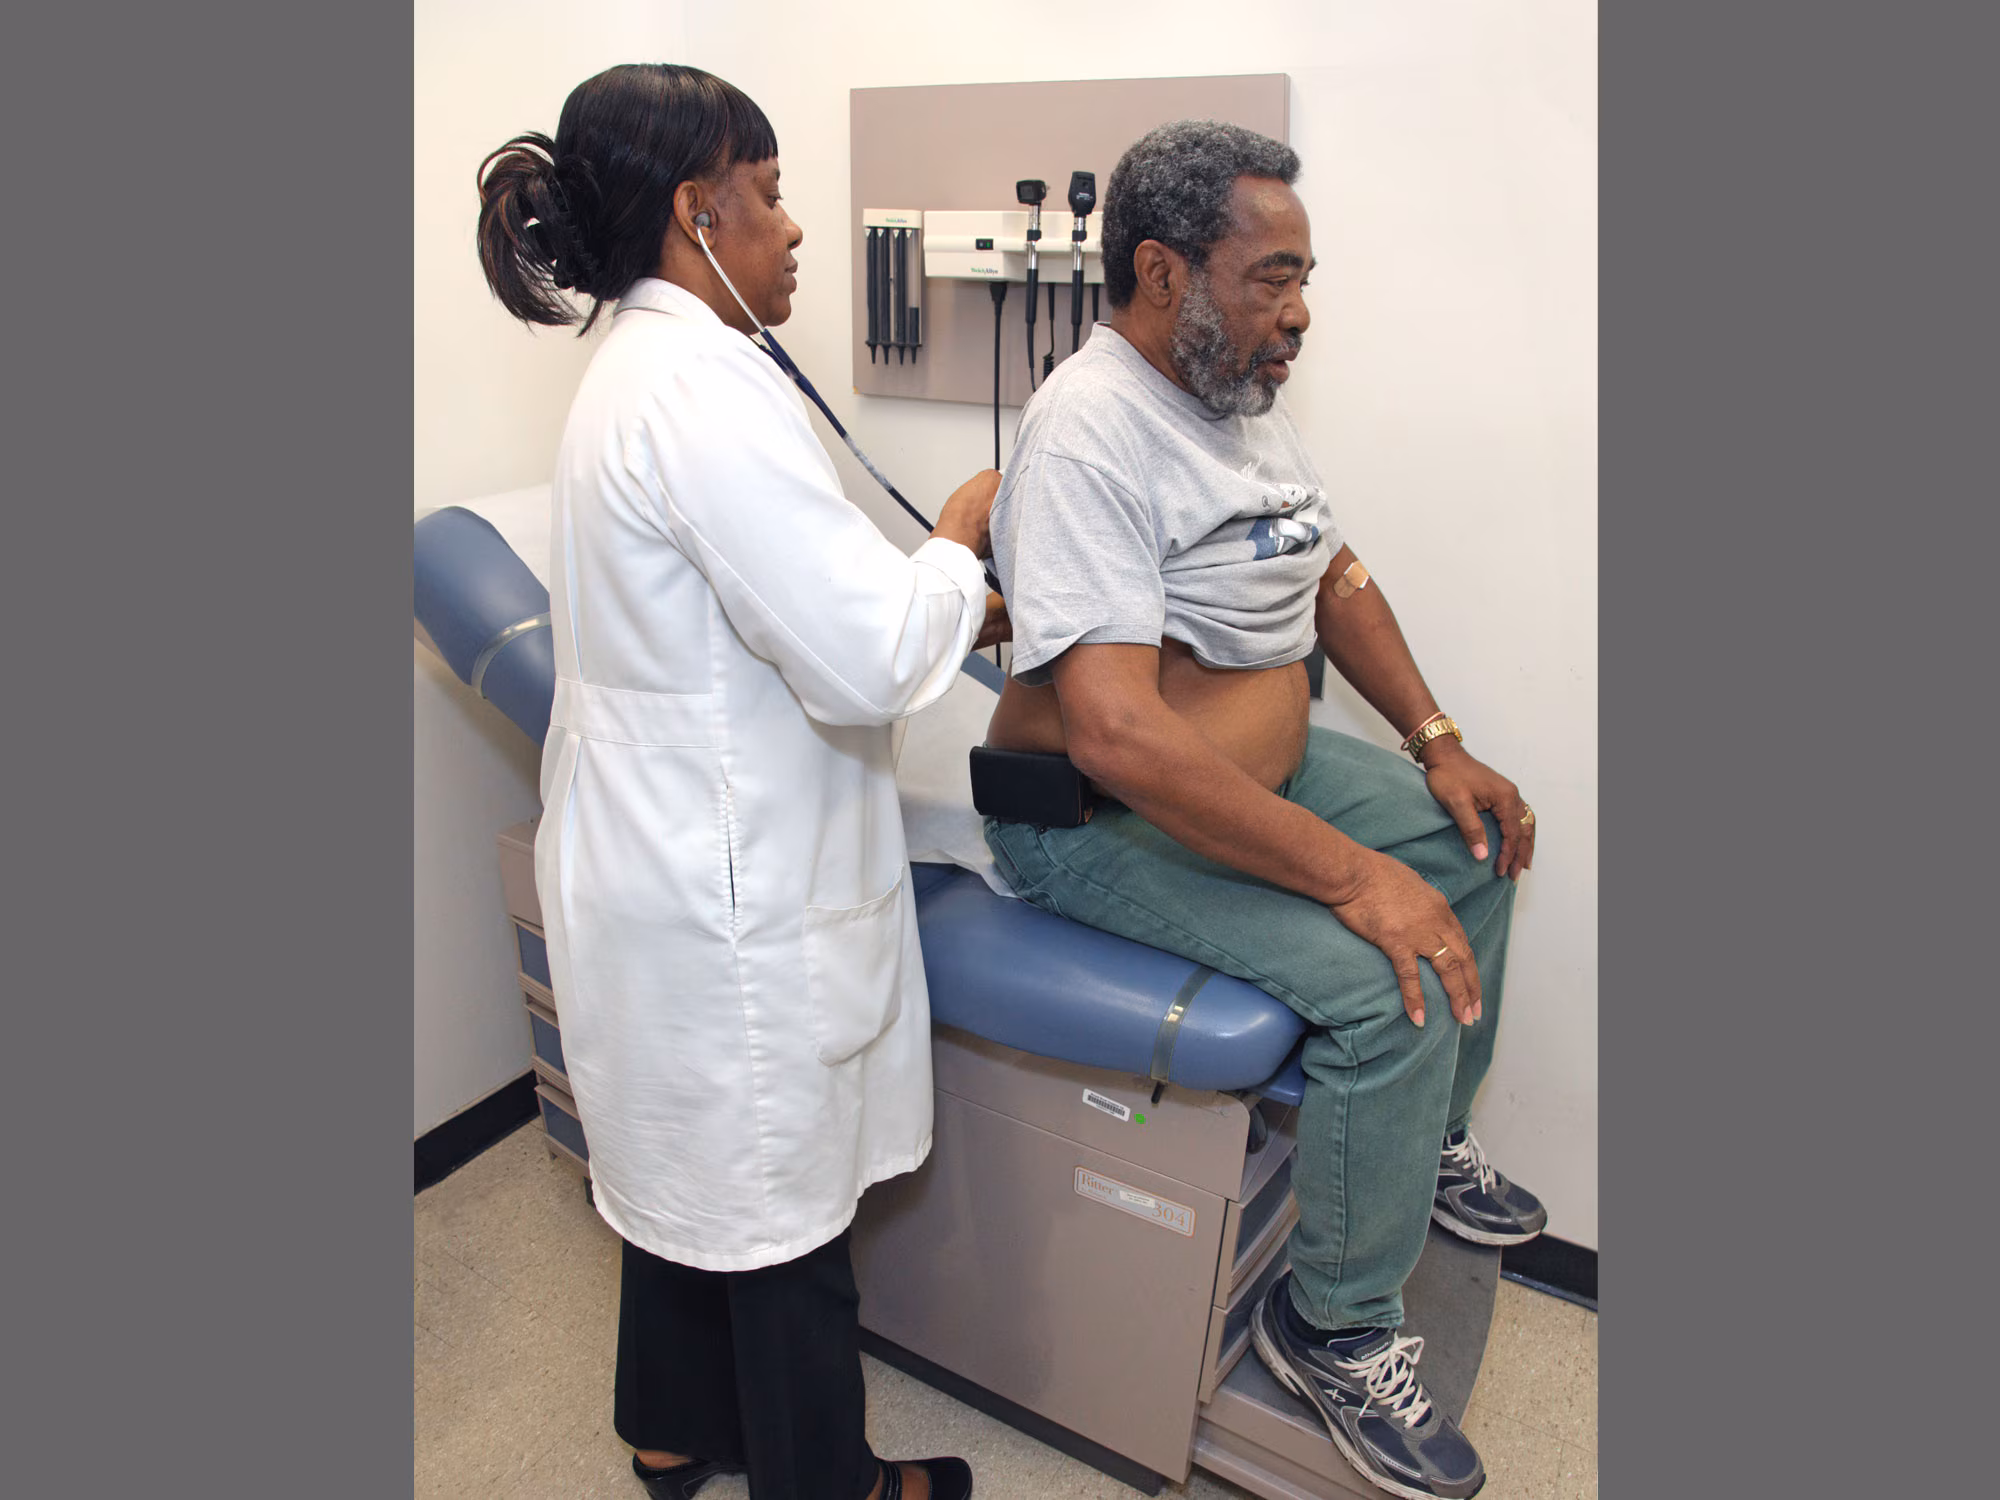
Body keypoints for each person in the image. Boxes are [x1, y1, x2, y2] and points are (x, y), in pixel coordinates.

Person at [981, 120, 1549, 1500]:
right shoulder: (1091, 428)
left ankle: (1417, 1149)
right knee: (1382, 974)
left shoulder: (1233, 388)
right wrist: (1355, 882)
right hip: (1099, 823)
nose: (1299, 314)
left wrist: (1435, 742)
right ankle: (1334, 1326)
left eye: (1306, 278)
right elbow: (1114, 736)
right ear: (1166, 273)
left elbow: (1328, 566)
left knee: (1476, 845)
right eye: (1271, 278)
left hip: (1253, 769)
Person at [475, 63, 1001, 1500]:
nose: (794, 230)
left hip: (650, 860)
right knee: (777, 1216)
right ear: (698, 215)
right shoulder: (704, 393)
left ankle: (667, 1429)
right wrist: (959, 543)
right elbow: (872, 656)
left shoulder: (634, 372)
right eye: (769, 196)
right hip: (725, 892)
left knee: (678, 1170)